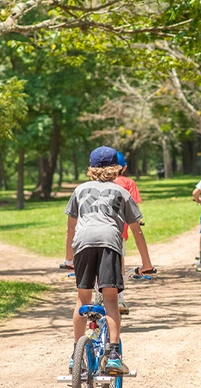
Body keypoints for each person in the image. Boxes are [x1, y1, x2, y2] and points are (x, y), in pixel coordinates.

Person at [64, 146, 155, 375]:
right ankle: (113, 355)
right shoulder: (122, 192)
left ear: (91, 168)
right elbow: (136, 230)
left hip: (83, 244)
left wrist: (69, 259)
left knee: (82, 299)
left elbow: (70, 228)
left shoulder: (80, 190)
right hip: (110, 243)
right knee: (111, 300)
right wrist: (146, 264)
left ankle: (77, 356)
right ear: (117, 168)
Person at [112, 152, 141, 315]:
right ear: (124, 167)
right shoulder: (128, 183)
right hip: (118, 232)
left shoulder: (96, 183)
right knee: (119, 262)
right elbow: (133, 208)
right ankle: (120, 298)